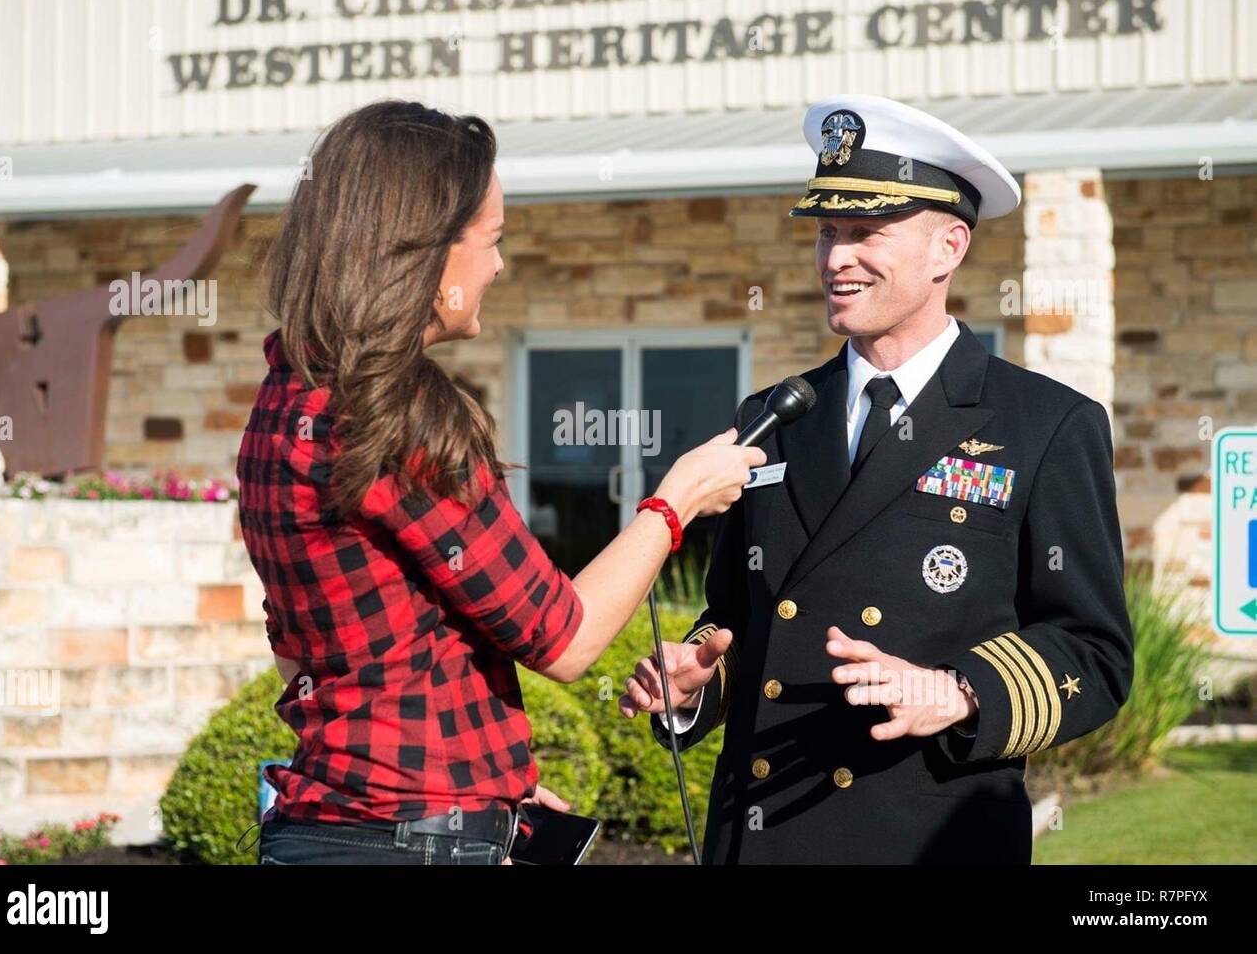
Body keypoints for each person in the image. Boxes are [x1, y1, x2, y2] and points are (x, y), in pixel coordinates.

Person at [236, 100, 765, 864]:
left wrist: (481, 789)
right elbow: (565, 636)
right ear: (426, 249)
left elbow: (306, 649)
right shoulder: (397, 417)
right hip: (409, 842)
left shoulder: (286, 392)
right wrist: (676, 501)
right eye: (492, 241)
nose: (498, 265)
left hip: (322, 826)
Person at [619, 94, 1135, 864]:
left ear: (947, 248)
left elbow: (1092, 650)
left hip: (924, 837)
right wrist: (697, 683)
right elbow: (736, 613)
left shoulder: (1045, 423)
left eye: (866, 234)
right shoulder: (777, 411)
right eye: (828, 233)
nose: (836, 259)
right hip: (758, 833)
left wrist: (961, 692)